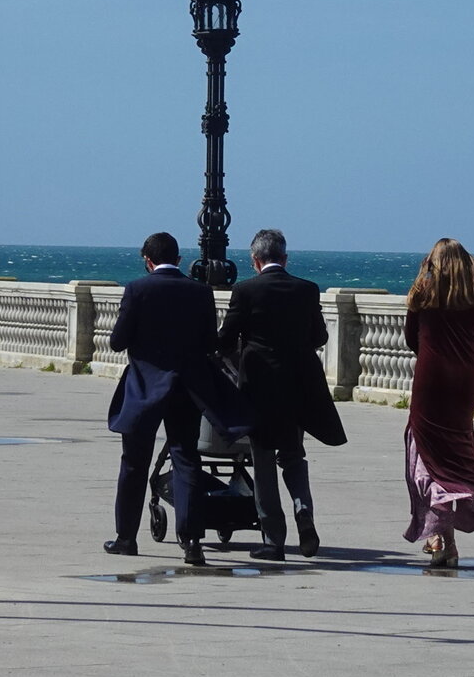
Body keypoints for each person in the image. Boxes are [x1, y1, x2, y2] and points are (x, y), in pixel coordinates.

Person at [105, 231, 248, 567]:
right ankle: (192, 542)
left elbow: (117, 341)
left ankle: (126, 538)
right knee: (186, 460)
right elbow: (211, 342)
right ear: (179, 259)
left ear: (147, 259)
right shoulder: (200, 291)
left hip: (145, 387)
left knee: (134, 462)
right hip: (188, 387)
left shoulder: (137, 289)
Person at [217, 228, 346, 561]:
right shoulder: (306, 290)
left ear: (255, 260)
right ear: (284, 258)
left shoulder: (245, 291)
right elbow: (319, 336)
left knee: (262, 461)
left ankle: (274, 539)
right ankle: (304, 511)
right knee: (293, 455)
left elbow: (225, 339)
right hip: (298, 389)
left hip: (259, 390)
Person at [403, 238, 474, 569]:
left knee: (425, 451)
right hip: (466, 378)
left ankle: (437, 536)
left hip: (431, 376)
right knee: (456, 448)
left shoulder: (422, 292)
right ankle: (447, 539)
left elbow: (411, 337)